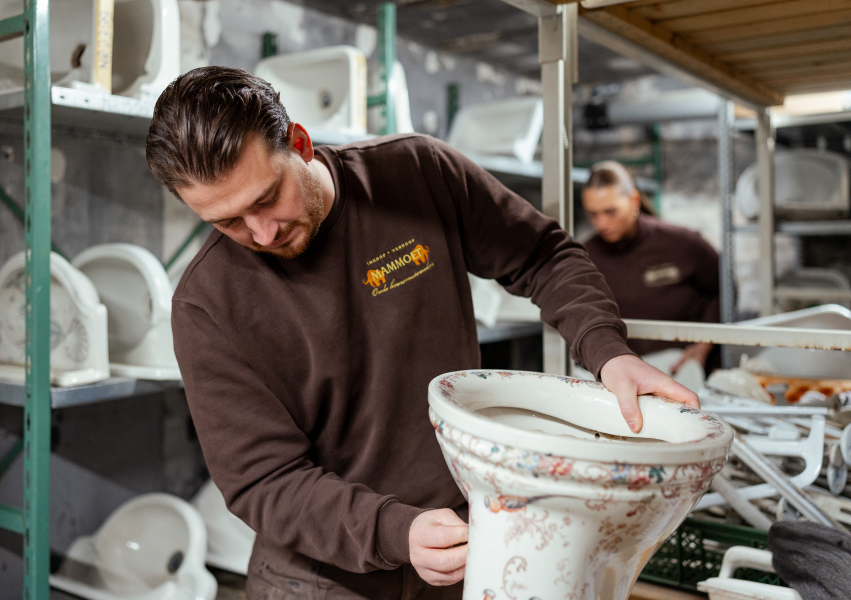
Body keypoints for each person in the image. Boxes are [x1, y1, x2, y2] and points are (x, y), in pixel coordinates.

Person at [145, 67, 699, 600]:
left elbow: (542, 256)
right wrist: (394, 531)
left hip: (466, 542)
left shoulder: (415, 173)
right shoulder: (206, 305)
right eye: (228, 222)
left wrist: (609, 352)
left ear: (301, 143)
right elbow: (263, 481)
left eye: (267, 198)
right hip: (322, 579)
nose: (262, 233)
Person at [581, 161, 721, 374]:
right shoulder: (584, 257)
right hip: (621, 373)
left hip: (683, 371)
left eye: (611, 212)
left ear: (634, 200)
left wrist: (702, 348)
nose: (601, 223)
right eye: (593, 214)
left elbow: (723, 289)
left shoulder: (682, 244)